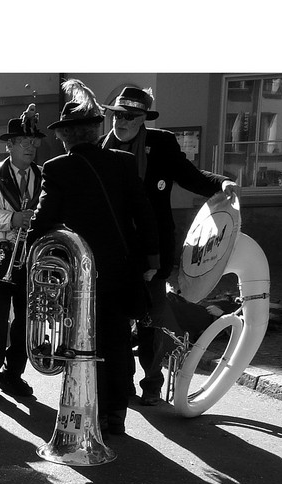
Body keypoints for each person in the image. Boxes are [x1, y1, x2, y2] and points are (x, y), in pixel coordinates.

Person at [27, 80, 159, 437]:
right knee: (117, 340)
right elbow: (143, 213)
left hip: (81, 273)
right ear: (95, 130)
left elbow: (42, 221)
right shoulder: (124, 162)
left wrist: (25, 256)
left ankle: (88, 407)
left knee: (81, 339)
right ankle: (115, 414)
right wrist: (151, 259)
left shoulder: (57, 168)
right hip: (121, 267)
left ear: (66, 136)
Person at [102, 86, 238, 406]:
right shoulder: (99, 148)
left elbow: (189, 176)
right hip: (113, 252)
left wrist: (222, 184)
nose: (120, 122)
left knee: (151, 320)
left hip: (152, 250)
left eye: (129, 117)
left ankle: (151, 384)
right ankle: (120, 384)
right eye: (117, 115)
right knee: (117, 321)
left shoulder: (161, 143)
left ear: (143, 120)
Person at [0, 105, 45, 403]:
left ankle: (14, 375)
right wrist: (12, 219)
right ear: (9, 145)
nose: (31, 147)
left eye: (34, 142)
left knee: (25, 323)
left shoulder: (43, 176)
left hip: (29, 259)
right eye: (24, 143)